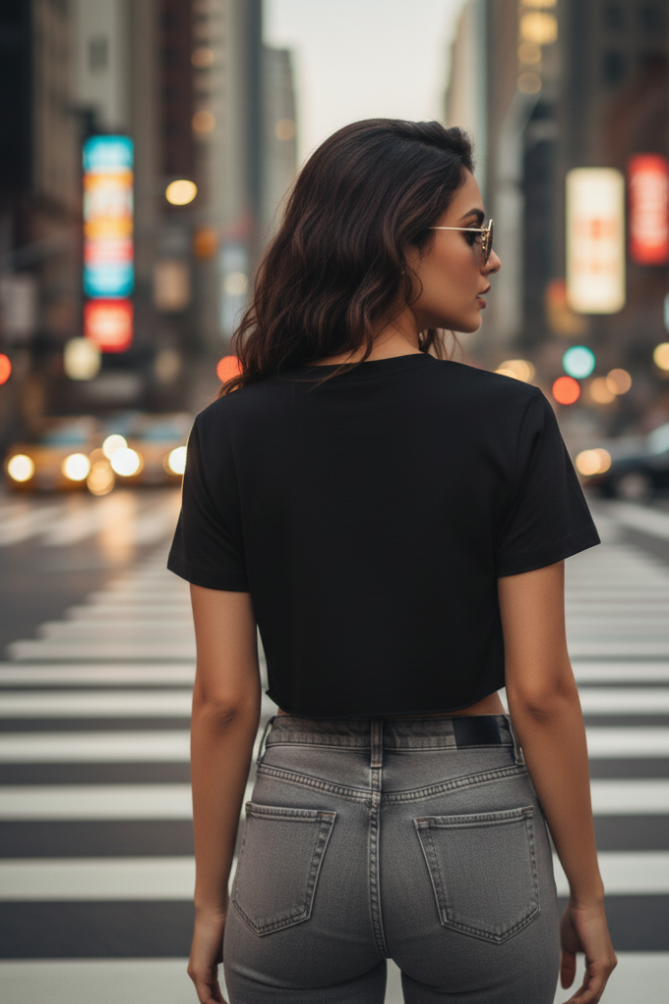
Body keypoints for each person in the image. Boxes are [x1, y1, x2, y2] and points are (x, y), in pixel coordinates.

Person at [168, 119, 617, 1004]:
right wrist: (588, 892)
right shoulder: (508, 419)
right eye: (473, 231)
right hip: (474, 813)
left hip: (294, 819)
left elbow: (223, 699)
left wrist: (210, 900)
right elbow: (540, 689)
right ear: (397, 240)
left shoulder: (229, 431)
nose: (488, 258)